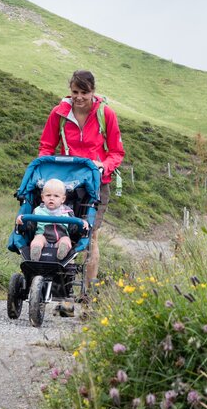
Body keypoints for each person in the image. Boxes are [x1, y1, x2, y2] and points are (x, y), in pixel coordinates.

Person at [39, 70, 125, 286]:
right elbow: (47, 146)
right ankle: (56, 280)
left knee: (90, 236)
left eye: (84, 93)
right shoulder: (59, 113)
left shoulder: (106, 115)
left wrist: (103, 166)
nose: (78, 97)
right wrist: (46, 170)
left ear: (92, 92)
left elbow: (117, 152)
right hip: (65, 183)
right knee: (58, 226)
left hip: (95, 184)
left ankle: (88, 290)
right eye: (75, 92)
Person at [16, 178, 88, 261]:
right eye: (48, 195)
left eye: (56, 196)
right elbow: (30, 226)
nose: (51, 198)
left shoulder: (67, 212)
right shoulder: (38, 210)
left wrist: (82, 223)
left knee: (66, 240)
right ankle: (35, 252)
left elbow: (73, 228)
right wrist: (22, 220)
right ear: (42, 197)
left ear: (63, 199)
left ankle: (62, 251)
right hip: (43, 237)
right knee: (38, 239)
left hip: (61, 237)